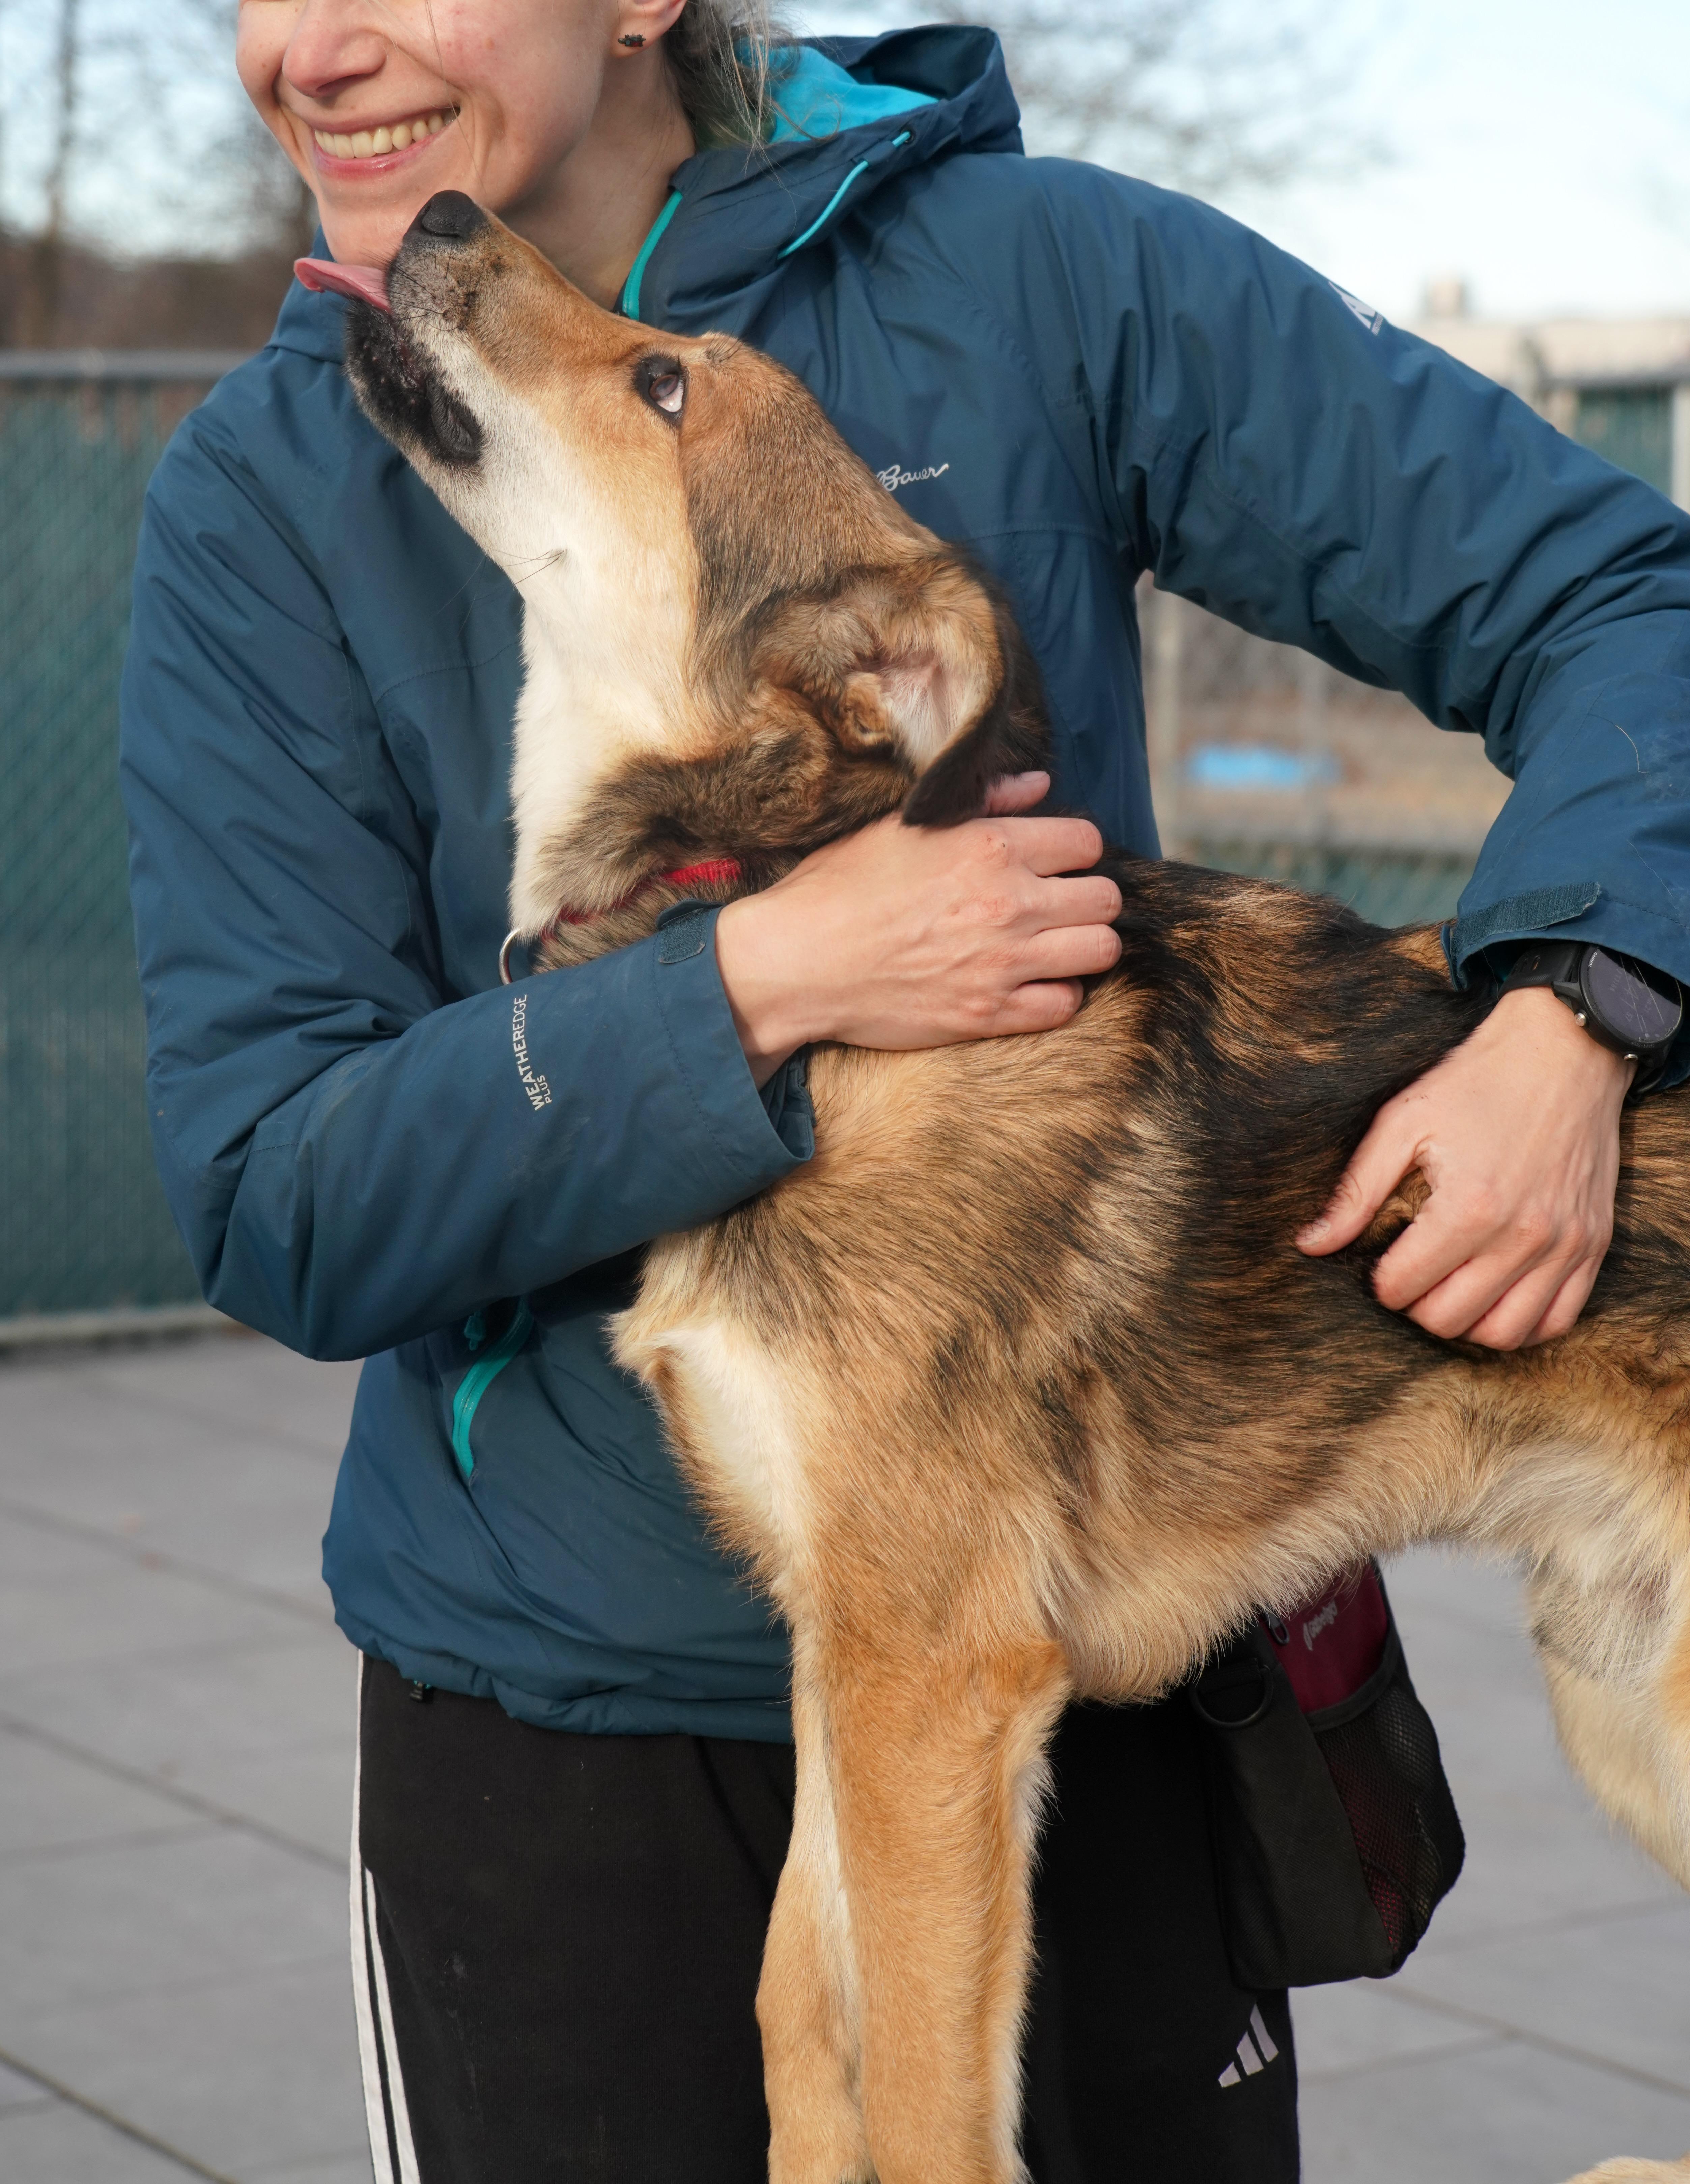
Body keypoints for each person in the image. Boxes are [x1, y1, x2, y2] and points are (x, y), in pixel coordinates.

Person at [121, 3, 1690, 2179]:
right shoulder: (260, 491)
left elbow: (1628, 594)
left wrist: (1571, 1013)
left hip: (1120, 1686)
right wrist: (752, 985)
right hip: (560, 1719)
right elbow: (274, 1189)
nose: (308, 47)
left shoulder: (1038, 274)